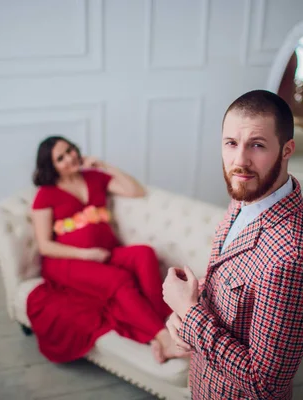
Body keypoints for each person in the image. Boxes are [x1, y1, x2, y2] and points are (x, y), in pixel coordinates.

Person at [162, 90, 303, 399]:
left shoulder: (293, 258)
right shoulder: (246, 197)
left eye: (257, 145)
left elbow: (264, 384)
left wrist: (188, 309)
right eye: (231, 144)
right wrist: (182, 317)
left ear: (287, 149)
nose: (240, 161)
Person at [27, 135, 188, 364]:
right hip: (66, 263)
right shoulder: (45, 195)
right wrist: (85, 254)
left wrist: (104, 165)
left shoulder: (94, 177)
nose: (69, 158)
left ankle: (161, 322)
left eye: (70, 150)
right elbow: (45, 245)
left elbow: (135, 191)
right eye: (60, 158)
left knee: (144, 253)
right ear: (51, 166)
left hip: (105, 252)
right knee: (119, 280)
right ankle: (163, 338)